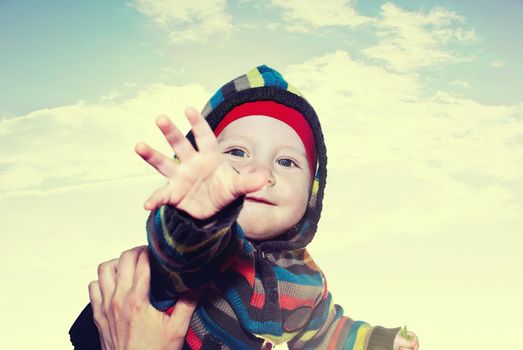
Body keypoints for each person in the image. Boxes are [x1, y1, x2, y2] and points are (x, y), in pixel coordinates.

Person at [70, 65, 419, 350]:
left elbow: (327, 333)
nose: (261, 174)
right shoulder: (205, 245)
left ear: (311, 197)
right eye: (237, 153)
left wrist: (381, 342)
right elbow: (179, 252)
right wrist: (198, 213)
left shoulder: (305, 279)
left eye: (286, 162)